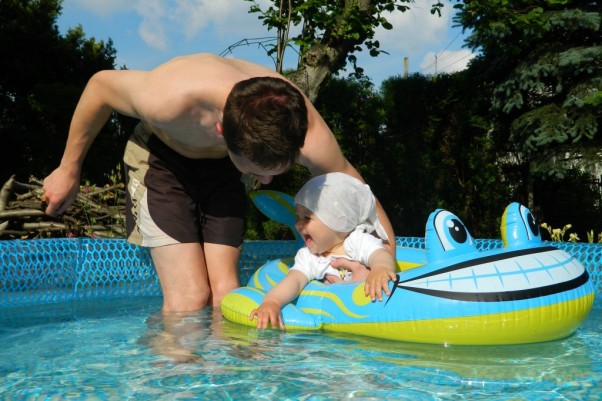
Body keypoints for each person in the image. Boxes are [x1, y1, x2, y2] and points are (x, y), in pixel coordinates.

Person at [42, 53, 396, 313]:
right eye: (259, 171)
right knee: (190, 297)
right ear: (222, 131)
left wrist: (383, 263)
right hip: (161, 161)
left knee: (228, 293)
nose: (267, 181)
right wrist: (69, 168)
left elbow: (357, 192)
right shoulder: (169, 99)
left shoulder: (301, 126)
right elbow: (100, 85)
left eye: (276, 171)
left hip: (225, 170)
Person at [250, 173, 398, 330]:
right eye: (297, 216)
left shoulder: (357, 241)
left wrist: (380, 268)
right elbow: (294, 280)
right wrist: (272, 302)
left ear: (338, 220)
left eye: (306, 218)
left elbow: (379, 255)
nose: (297, 224)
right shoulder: (309, 256)